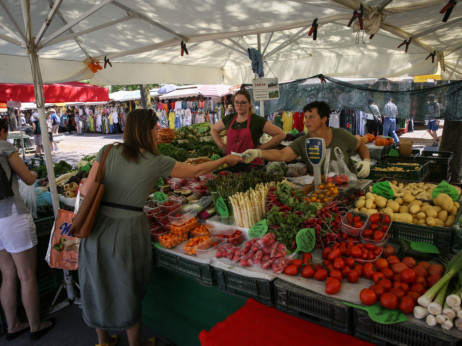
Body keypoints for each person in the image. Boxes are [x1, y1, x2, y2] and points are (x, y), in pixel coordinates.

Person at [78, 109, 242, 346]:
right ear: (145, 130)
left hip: (96, 226)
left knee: (96, 281)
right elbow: (195, 171)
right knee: (127, 285)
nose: (158, 132)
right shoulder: (156, 162)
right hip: (128, 230)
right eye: (155, 128)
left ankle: (103, 341)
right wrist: (225, 159)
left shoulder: (108, 151)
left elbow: (86, 191)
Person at [0, 119, 56, 341]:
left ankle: (13, 325)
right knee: (26, 275)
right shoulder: (3, 146)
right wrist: (33, 175)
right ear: (2, 131)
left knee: (7, 276)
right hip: (12, 216)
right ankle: (36, 324)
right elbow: (28, 178)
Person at [241, 101, 371, 178]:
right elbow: (282, 154)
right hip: (324, 189)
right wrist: (258, 153)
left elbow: (360, 146)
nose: (306, 121)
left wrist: (366, 160)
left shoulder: (341, 134)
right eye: (306, 117)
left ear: (324, 119)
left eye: (311, 117)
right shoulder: (303, 142)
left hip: (349, 185)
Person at [210, 89, 285, 165]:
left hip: (252, 166)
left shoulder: (257, 120)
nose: (239, 105)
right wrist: (221, 146)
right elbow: (214, 129)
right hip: (231, 165)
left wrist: (262, 148)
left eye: (243, 102)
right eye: (237, 102)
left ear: (249, 104)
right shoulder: (229, 118)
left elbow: (281, 134)